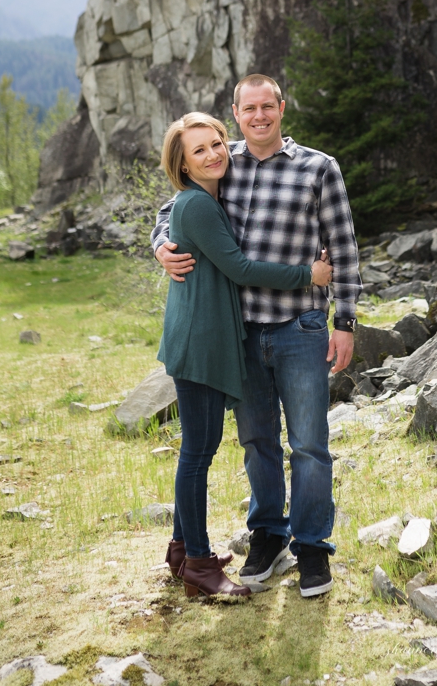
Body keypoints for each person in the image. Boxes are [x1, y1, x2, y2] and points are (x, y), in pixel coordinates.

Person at [152, 75, 361, 597]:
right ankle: (268, 535)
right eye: (250, 108)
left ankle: (313, 547)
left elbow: (345, 247)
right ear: (236, 112)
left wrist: (345, 322)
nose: (260, 116)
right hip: (243, 332)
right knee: (257, 441)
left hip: (302, 326)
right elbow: (172, 208)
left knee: (310, 444)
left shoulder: (318, 167)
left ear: (282, 108)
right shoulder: (226, 162)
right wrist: (161, 245)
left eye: (268, 106)